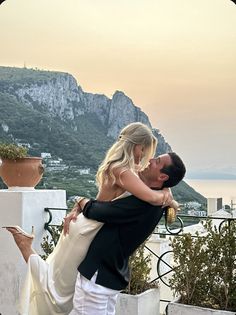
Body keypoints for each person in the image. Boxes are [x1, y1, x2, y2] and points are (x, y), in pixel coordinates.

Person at [3, 122, 180, 314]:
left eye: (155, 159)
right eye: (147, 151)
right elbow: (150, 196)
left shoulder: (122, 168)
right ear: (138, 147)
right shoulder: (124, 172)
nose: (149, 158)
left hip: (85, 225)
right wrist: (166, 197)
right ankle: (26, 248)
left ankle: (27, 248)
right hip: (89, 229)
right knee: (58, 292)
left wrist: (76, 206)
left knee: (57, 283)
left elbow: (99, 199)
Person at [66, 152, 186, 315]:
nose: (150, 160)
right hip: (111, 275)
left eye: (157, 161)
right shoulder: (159, 201)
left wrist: (80, 200)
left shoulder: (143, 204)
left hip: (98, 275)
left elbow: (96, 211)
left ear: (163, 176)